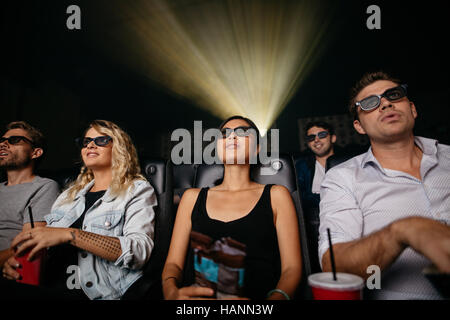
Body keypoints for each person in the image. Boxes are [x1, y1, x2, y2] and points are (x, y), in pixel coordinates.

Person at [319, 71, 450, 299]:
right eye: (370, 103)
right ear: (359, 127)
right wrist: (403, 230)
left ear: (413, 109)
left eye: (394, 95)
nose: (386, 103)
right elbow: (334, 268)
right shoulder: (343, 178)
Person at [2, 120, 157, 300]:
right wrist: (15, 264)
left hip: (99, 293)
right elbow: (45, 248)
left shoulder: (136, 190)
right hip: (50, 284)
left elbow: (138, 252)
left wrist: (72, 235)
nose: (90, 144)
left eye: (101, 140)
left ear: (119, 148)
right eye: (86, 142)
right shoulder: (68, 196)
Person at [162, 115, 302, 300]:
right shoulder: (191, 198)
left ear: (257, 149)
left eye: (242, 132)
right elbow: (173, 264)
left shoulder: (277, 195)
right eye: (224, 133)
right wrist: (171, 292)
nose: (231, 137)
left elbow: (291, 269)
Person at [0, 121, 60, 268]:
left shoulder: (44, 187)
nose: (3, 144)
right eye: (2, 141)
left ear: (35, 152)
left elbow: (29, 244)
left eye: (14, 141)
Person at [295, 121, 336, 272]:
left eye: (322, 135)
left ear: (333, 138)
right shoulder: (300, 166)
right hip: (311, 228)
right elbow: (299, 199)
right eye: (311, 137)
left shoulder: (347, 163)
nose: (316, 140)